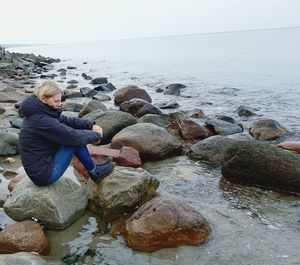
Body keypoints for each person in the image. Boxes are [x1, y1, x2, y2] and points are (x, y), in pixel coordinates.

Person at [19, 80, 115, 186]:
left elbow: (66, 120)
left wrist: (91, 125)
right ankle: (95, 172)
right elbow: (73, 137)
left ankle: (94, 169)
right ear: (44, 99)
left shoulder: (41, 110)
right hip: (44, 175)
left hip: (43, 165)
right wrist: (96, 135)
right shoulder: (41, 120)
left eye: (60, 100)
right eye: (56, 101)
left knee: (73, 138)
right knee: (73, 141)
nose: (59, 104)